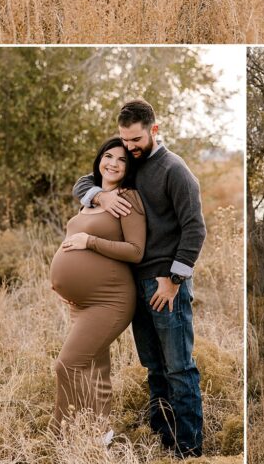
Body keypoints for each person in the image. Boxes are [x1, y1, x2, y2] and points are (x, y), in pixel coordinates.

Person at [73, 99, 207, 458]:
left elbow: (195, 228)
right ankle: (163, 439)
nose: (128, 147)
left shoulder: (174, 170)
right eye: (123, 139)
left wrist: (174, 280)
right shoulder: (130, 163)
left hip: (165, 283)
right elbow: (85, 179)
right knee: (153, 367)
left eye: (135, 139)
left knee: (179, 367)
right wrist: (99, 194)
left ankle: (189, 449)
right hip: (136, 283)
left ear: (154, 130)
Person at [50, 138, 145, 445]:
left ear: (129, 168)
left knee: (67, 364)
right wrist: (63, 283)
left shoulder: (128, 198)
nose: (114, 163)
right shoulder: (92, 198)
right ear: (99, 159)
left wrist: (89, 243)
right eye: (108, 156)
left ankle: (61, 435)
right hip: (81, 301)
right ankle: (100, 437)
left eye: (122, 160)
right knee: (95, 371)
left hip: (111, 299)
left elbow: (135, 251)